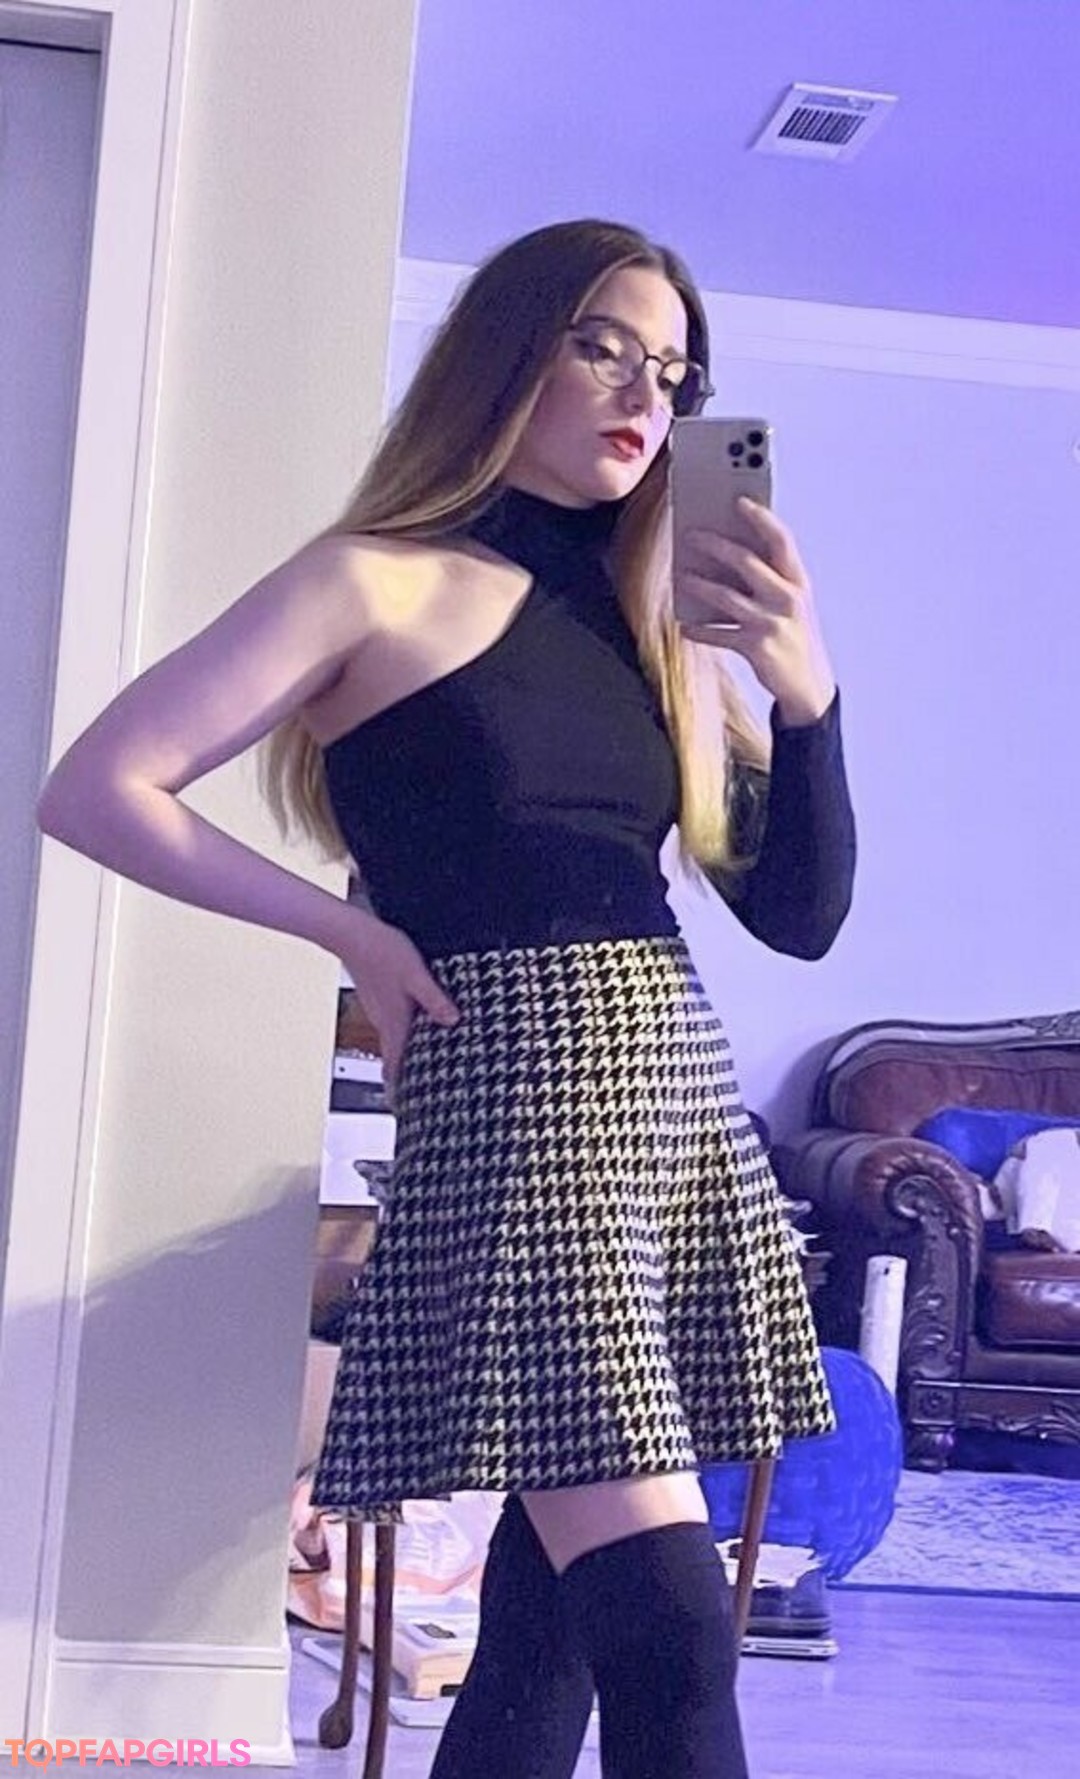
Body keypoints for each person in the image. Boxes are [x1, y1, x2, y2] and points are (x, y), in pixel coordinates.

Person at [38, 218, 855, 1778]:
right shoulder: (376, 581)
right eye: (603, 346)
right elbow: (100, 786)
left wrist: (801, 687)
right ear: (509, 352)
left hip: (669, 1114)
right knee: (675, 1625)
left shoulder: (657, 629)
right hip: (521, 1113)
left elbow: (802, 916)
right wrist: (349, 935)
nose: (645, 394)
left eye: (674, 372)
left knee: (548, 1626)